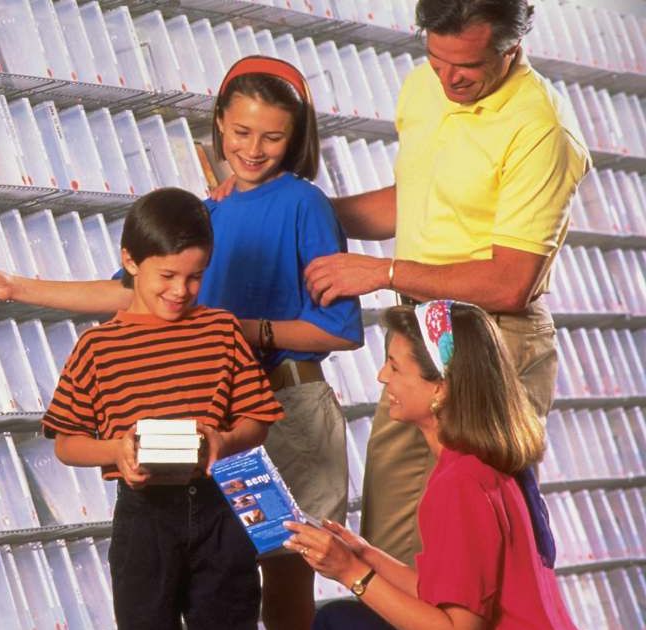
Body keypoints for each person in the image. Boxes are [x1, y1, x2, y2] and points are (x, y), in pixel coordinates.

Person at [0, 55, 362, 629]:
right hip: (206, 411)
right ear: (218, 123)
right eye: (241, 132)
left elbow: (341, 329)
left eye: (272, 136)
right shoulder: (206, 210)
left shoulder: (303, 203)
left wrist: (237, 328)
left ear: (296, 138)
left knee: (285, 563)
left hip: (282, 404)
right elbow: (131, 294)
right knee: (221, 569)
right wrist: (14, 285)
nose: (252, 148)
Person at [210, 0, 590, 564]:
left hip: (494, 337)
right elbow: (411, 203)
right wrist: (279, 206)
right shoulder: (424, 88)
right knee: (386, 540)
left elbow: (511, 282)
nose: (448, 78)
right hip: (418, 333)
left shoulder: (541, 129)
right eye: (435, 59)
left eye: (466, 66)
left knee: (484, 537)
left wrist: (382, 272)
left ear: (511, 48)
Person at [41, 187, 283, 628]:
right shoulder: (97, 347)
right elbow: (67, 443)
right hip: (143, 516)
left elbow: (257, 419)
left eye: (195, 277)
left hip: (222, 507)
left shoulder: (222, 329)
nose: (181, 290)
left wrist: (224, 439)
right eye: (167, 276)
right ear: (130, 262)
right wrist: (117, 451)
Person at [283, 300, 576, 630]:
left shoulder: (460, 484)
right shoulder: (487, 462)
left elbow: (457, 628)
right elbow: (447, 593)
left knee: (339, 622)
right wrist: (364, 555)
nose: (381, 377)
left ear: (440, 388)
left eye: (394, 367)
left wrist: (350, 572)